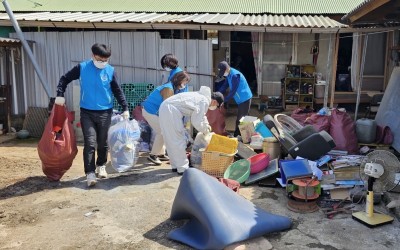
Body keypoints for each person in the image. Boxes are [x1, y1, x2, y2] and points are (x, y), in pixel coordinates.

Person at [55, 43, 129, 187]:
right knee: (90, 143)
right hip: (87, 112)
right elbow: (64, 79)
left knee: (102, 142)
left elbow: (117, 90)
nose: (102, 62)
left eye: (105, 60)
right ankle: (89, 173)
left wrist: (125, 107)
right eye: (100, 59)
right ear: (93, 55)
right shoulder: (82, 68)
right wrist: (60, 94)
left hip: (105, 112)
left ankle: (101, 165)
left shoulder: (110, 71)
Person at [159, 86, 224, 174]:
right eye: (216, 106)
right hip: (170, 111)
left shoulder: (201, 97)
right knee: (178, 140)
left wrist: (207, 126)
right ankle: (183, 168)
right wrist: (205, 131)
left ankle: (175, 165)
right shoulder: (204, 101)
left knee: (170, 140)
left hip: (165, 108)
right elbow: (196, 121)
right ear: (214, 101)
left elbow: (201, 116)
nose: (214, 107)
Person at [142, 71, 191, 165]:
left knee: (164, 131)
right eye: (184, 82)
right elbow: (168, 107)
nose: (184, 85)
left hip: (153, 111)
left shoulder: (171, 87)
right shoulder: (168, 89)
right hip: (150, 111)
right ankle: (153, 155)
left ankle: (160, 154)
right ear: (178, 80)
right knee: (162, 132)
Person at [215, 61, 253, 137]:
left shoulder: (235, 76)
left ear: (226, 69)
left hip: (245, 98)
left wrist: (223, 100)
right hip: (240, 99)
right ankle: (247, 135)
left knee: (240, 119)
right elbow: (225, 85)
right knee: (244, 118)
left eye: (223, 72)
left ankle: (237, 136)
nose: (223, 74)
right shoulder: (229, 74)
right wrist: (216, 94)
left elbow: (233, 91)